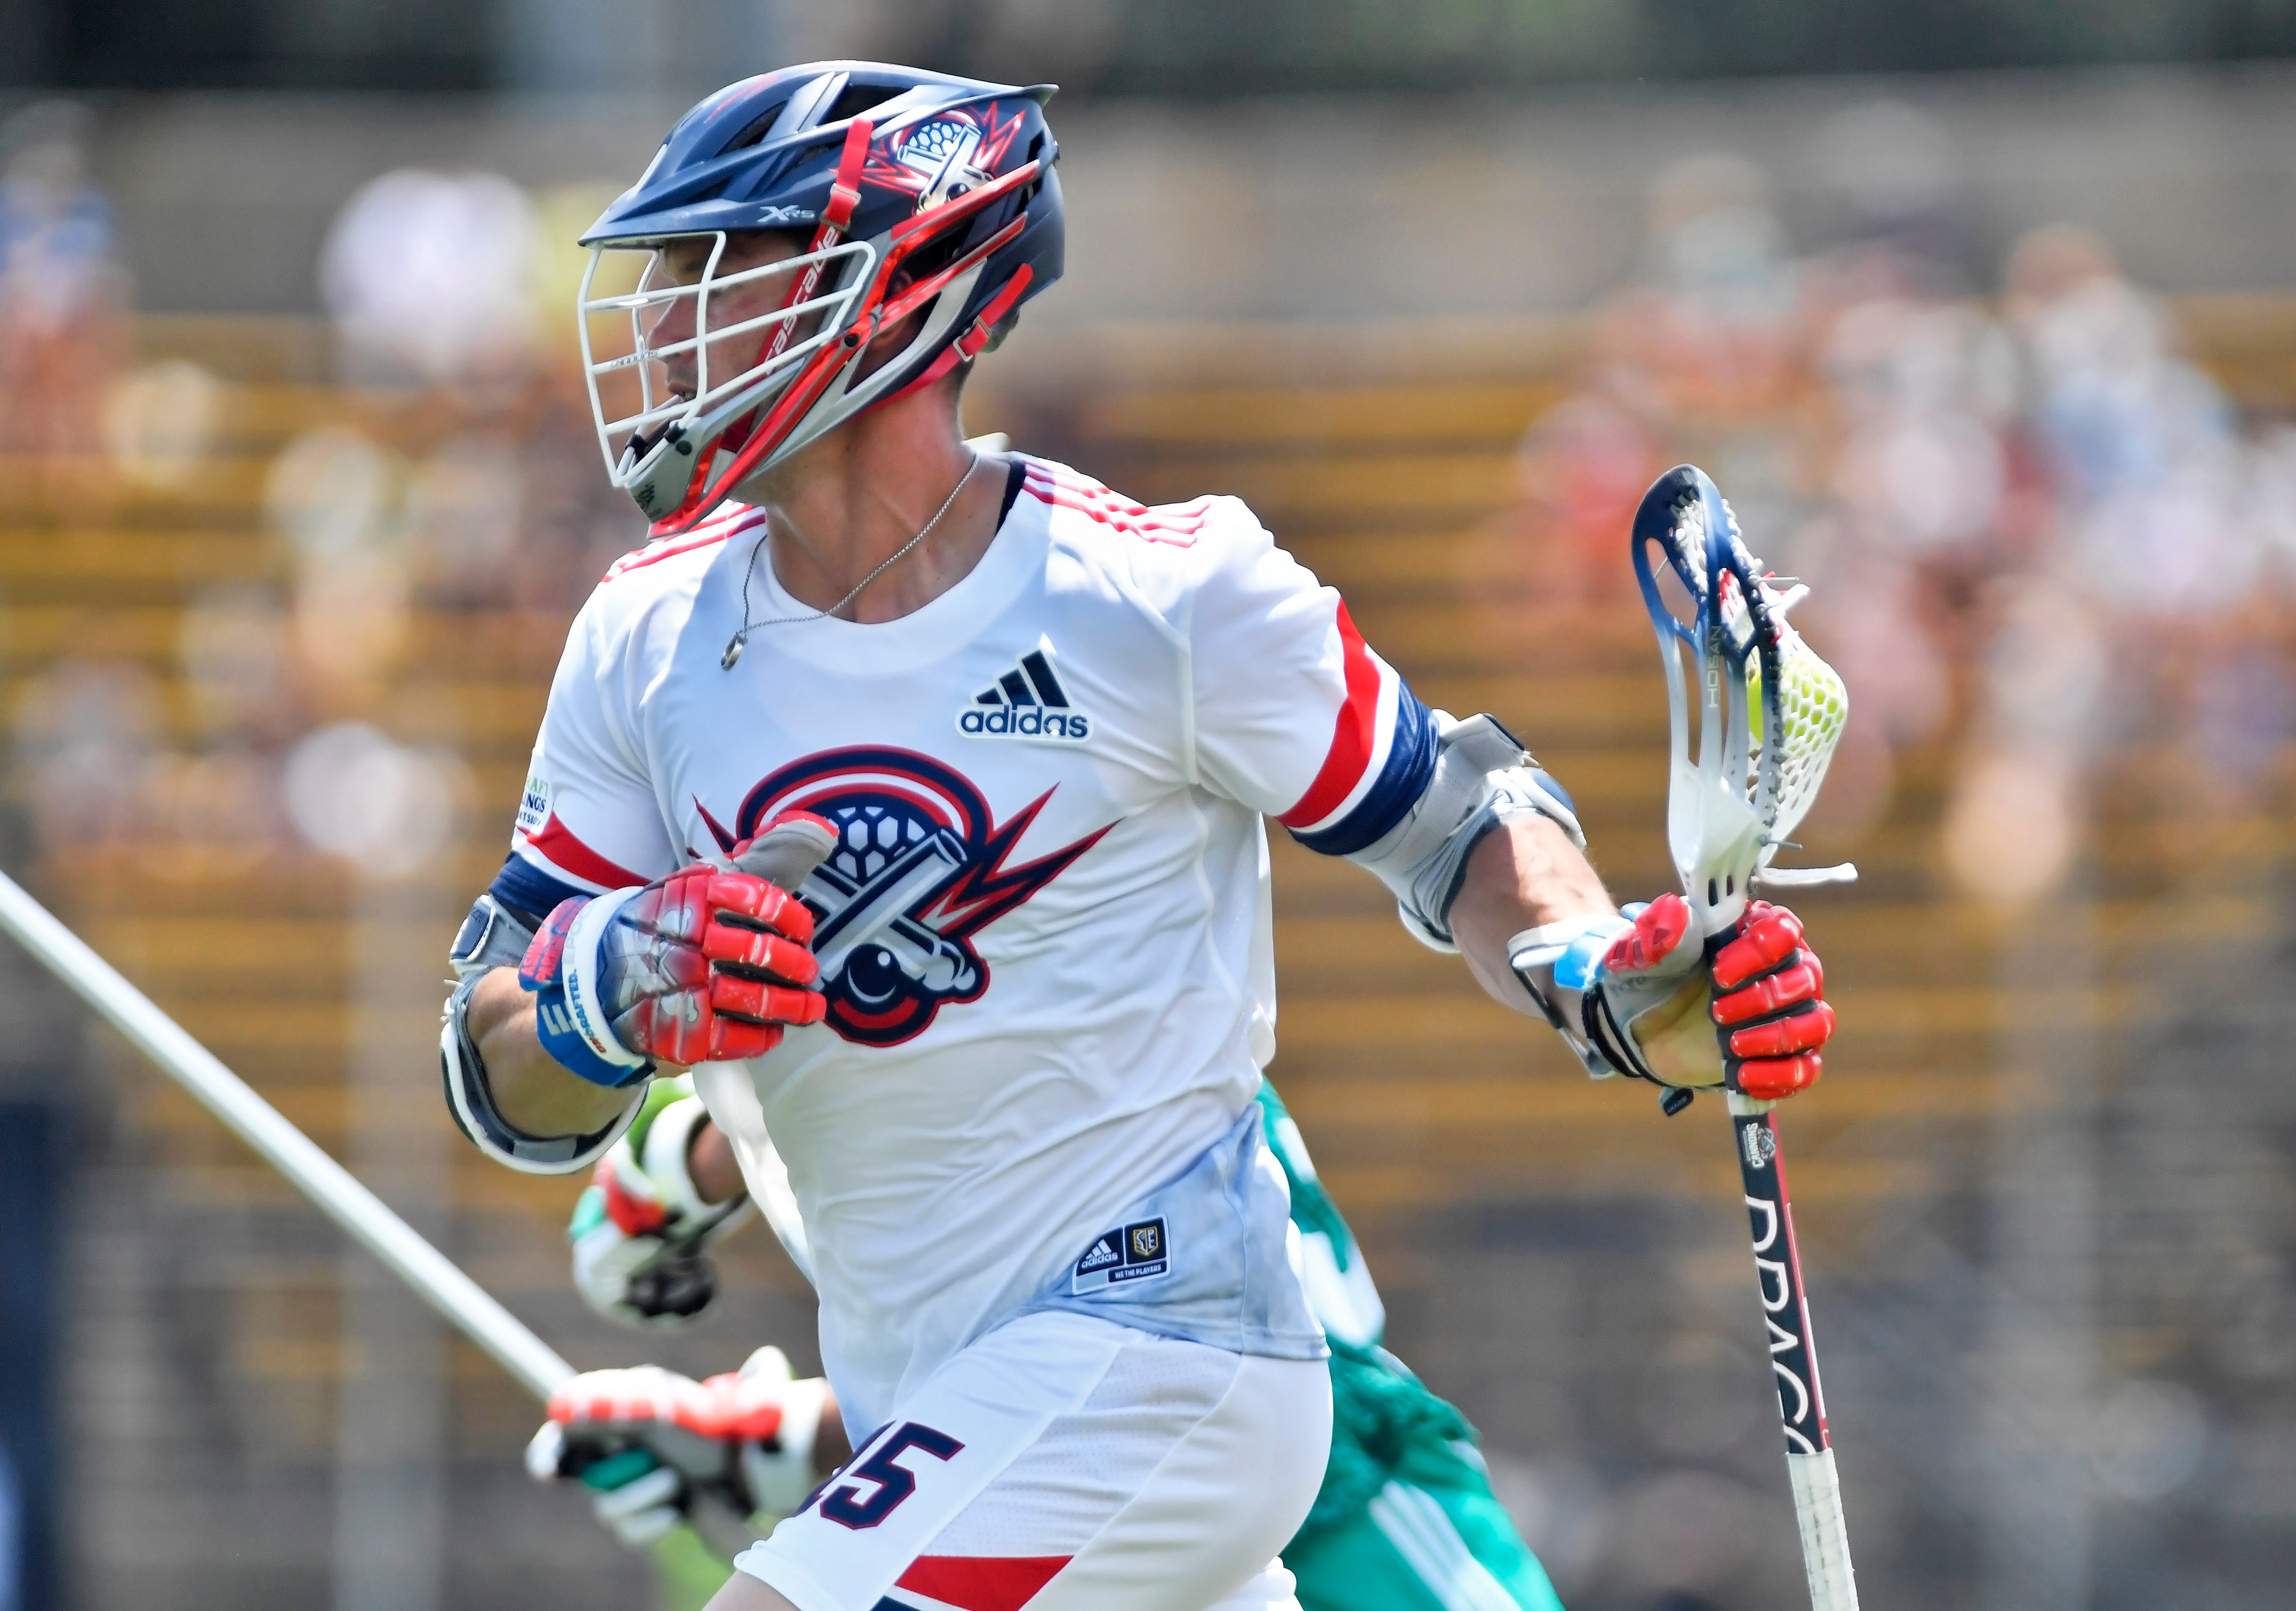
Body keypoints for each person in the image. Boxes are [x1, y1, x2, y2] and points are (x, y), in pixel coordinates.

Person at [438, 62, 1836, 1611]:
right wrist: (603, 988)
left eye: (728, 265)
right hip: (943, 1410)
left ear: (900, 290)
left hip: (1177, 1356)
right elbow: (497, 1066)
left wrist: (1595, 970)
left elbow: (1461, 821)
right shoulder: (641, 636)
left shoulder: (1166, 595)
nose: (665, 318)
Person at [549, 1076, 1569, 1611]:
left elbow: (1159, 1395)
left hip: (1345, 1515)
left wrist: (774, 1436)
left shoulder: (1089, 1015)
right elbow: (1027, 1392)